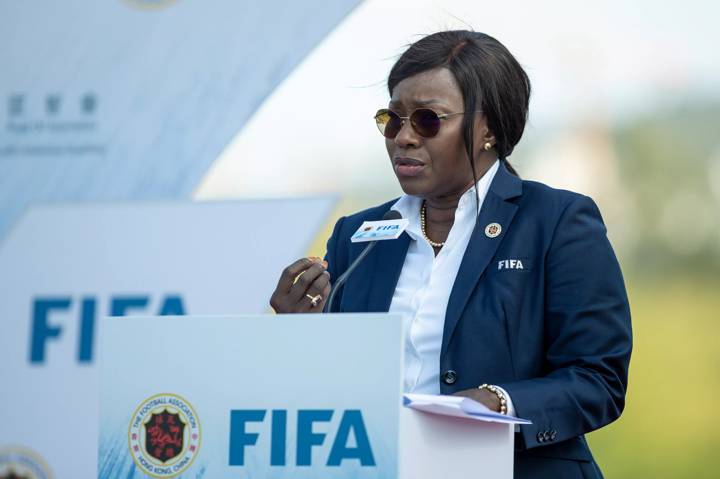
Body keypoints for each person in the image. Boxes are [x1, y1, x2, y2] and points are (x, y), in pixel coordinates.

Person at [269, 30, 632, 479]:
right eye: (392, 118)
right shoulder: (357, 236)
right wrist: (298, 335)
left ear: (489, 128)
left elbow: (599, 380)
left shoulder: (556, 221)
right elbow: (337, 387)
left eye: (427, 120)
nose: (402, 137)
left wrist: (499, 402)